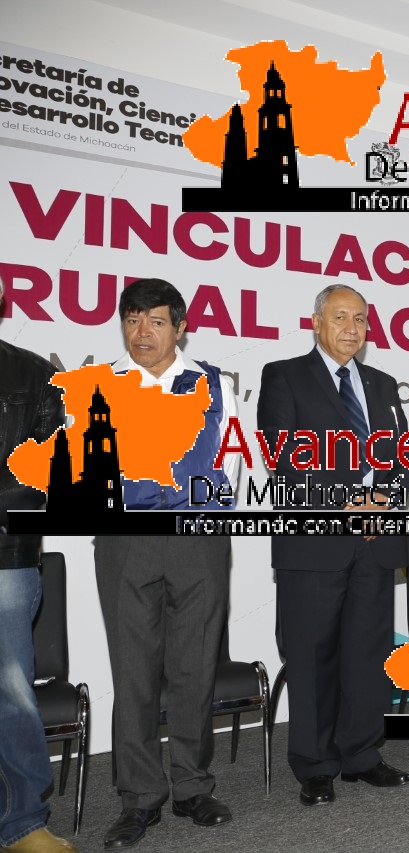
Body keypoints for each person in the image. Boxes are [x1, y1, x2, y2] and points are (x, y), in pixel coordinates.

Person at [95, 279, 239, 848]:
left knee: (194, 666)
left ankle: (192, 787)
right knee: (132, 671)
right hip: (127, 542)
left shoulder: (213, 383)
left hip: (196, 539)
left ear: (180, 328)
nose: (142, 332)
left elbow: (230, 457)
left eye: (155, 321)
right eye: (132, 320)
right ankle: (138, 797)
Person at [258, 283, 409, 806]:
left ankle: (362, 755)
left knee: (367, 654)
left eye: (361, 319)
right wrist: (347, 501)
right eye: (341, 316)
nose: (352, 327)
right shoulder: (284, 375)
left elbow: (401, 457)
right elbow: (281, 455)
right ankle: (315, 764)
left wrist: (381, 501)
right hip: (315, 540)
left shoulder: (383, 384)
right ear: (317, 323)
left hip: (375, 538)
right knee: (312, 656)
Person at [1, 275, 76, 853]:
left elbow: (44, 474)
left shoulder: (32, 374)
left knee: (12, 694)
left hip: (5, 557)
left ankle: (23, 822)